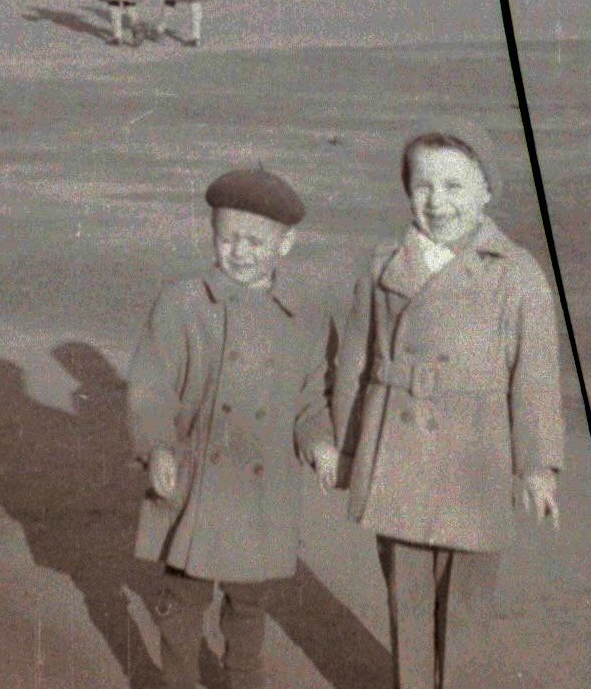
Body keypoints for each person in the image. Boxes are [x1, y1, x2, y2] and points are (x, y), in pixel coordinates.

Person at [319, 123, 564, 689]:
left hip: (474, 460)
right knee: (406, 602)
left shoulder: (517, 274)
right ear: (407, 192)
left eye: (455, 187)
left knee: (466, 610)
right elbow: (355, 360)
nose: (439, 202)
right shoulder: (383, 266)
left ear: (486, 193)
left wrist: (536, 466)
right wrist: (345, 444)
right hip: (399, 457)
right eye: (424, 186)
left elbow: (535, 378)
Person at [126, 166, 337, 689]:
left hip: (260, 495)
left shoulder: (304, 318)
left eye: (255, 241)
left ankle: (242, 679)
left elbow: (313, 397)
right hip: (194, 482)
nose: (239, 251)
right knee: (180, 602)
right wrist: (157, 449)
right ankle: (175, 680)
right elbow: (151, 388)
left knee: (249, 606)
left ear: (286, 244)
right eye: (226, 238)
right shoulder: (183, 305)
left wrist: (320, 442)